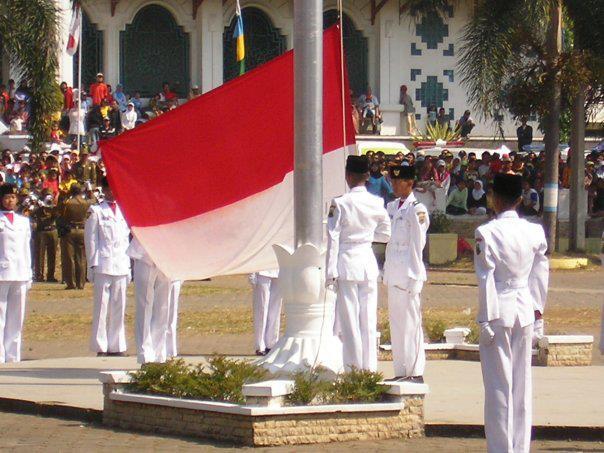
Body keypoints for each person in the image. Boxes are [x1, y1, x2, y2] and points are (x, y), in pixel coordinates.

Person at [474, 173, 548, 453]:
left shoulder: (487, 233)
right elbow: (541, 274)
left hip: (499, 311)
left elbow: (486, 279)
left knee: (498, 388)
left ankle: (501, 448)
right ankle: (519, 448)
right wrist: (538, 310)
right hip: (525, 309)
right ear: (519, 199)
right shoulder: (534, 231)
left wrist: (485, 319)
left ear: (494, 198)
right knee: (521, 386)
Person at [326, 155, 391, 371]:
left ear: (348, 176)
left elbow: (333, 236)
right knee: (368, 319)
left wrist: (329, 270)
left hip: (346, 262)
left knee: (350, 320)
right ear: (366, 177)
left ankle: (353, 368)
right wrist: (367, 237)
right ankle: (369, 368)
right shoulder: (377, 202)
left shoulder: (340, 202)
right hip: (367, 261)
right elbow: (386, 234)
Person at [383, 165, 429, 382]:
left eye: (398, 181)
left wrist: (416, 275)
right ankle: (400, 370)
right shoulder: (392, 206)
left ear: (410, 183)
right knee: (397, 323)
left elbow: (418, 244)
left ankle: (415, 370)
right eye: (392, 180)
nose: (394, 184)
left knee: (411, 323)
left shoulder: (417, 209)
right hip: (393, 270)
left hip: (409, 271)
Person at [85, 177, 131, 356]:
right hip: (103, 263)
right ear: (103, 190)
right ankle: (100, 345)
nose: (112, 192)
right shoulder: (96, 211)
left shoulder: (124, 210)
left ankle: (117, 345)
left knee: (119, 307)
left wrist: (128, 266)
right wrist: (92, 265)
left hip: (121, 263)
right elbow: (91, 240)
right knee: (102, 307)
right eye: (108, 188)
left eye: (114, 188)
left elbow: (127, 239)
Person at [128, 236, 179, 364]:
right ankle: (145, 353)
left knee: (163, 307)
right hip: (145, 253)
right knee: (144, 306)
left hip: (166, 254)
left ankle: (159, 353)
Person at [0, 184, 32, 363]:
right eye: (6, 197)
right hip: (2, 271)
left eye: (12, 197)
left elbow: (26, 249)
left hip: (20, 272)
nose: (9, 200)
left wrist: (29, 273)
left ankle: (13, 355)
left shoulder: (23, 221)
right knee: (0, 315)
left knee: (16, 316)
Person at [60, 184, 90, 289]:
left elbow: (62, 215)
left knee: (69, 258)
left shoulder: (68, 203)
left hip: (70, 230)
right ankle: (81, 283)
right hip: (82, 230)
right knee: (81, 257)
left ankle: (71, 283)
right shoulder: (86, 203)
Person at [249, 270, 282, 356]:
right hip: (261, 269)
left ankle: (272, 343)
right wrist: (252, 272)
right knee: (261, 309)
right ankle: (260, 345)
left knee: (275, 309)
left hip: (279, 269)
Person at [32, 191, 58, 282]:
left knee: (52, 254)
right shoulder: (38, 207)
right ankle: (39, 276)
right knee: (39, 254)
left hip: (52, 230)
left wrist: (53, 208)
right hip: (41, 231)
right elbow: (31, 214)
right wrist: (40, 207)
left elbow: (57, 216)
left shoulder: (53, 207)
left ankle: (50, 275)